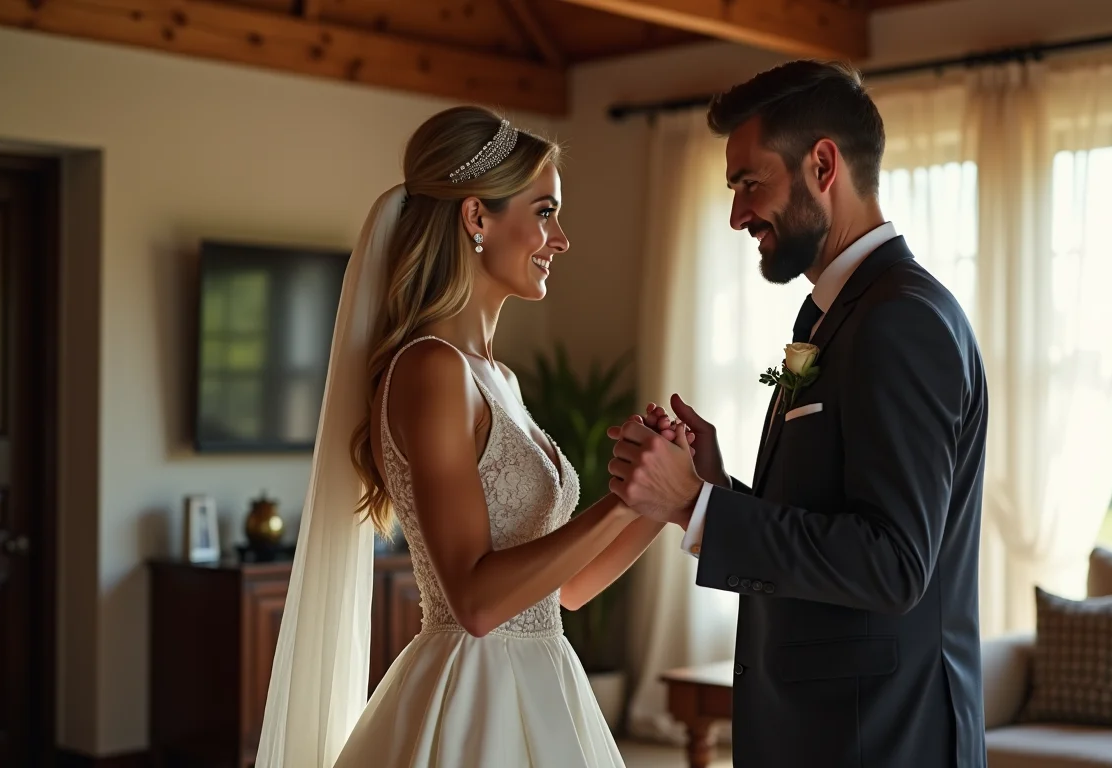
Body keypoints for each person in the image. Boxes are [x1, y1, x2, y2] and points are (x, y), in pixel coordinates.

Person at [256, 106, 686, 768]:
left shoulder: (499, 379)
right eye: (545, 211)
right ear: (476, 218)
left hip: (546, 683)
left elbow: (563, 591)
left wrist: (661, 495)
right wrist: (625, 500)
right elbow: (478, 604)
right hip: (472, 702)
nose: (561, 239)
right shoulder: (431, 370)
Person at [607, 60, 990, 767]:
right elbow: (836, 522)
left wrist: (698, 509)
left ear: (822, 165)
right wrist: (716, 487)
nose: (736, 214)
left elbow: (894, 565)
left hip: (879, 741)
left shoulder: (900, 319)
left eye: (750, 183)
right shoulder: (835, 316)